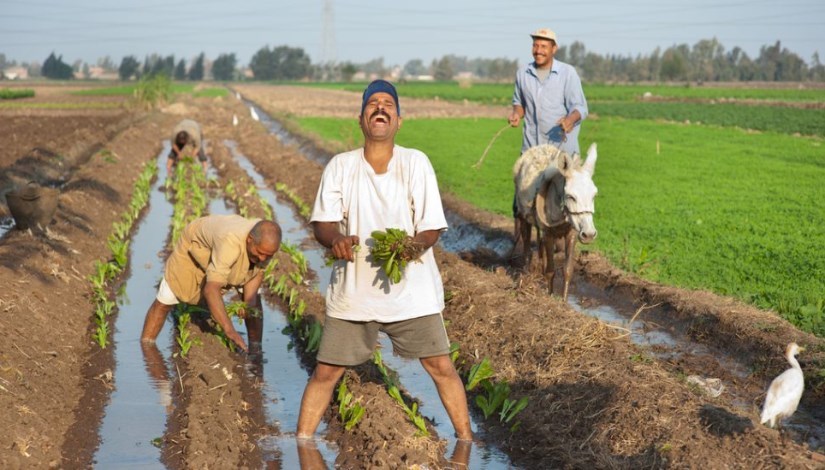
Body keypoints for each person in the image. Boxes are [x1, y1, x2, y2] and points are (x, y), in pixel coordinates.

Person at [296, 80, 472, 442]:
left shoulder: (415, 163)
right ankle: (301, 440)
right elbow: (323, 224)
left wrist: (410, 248)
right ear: (361, 119)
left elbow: (430, 229)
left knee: (441, 365)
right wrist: (336, 240)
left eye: (387, 103)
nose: (380, 108)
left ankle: (468, 439)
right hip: (355, 292)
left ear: (398, 119)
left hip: (412, 292)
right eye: (372, 103)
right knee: (326, 372)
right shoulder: (340, 166)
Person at [140, 215, 281, 352]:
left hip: (227, 250)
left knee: (253, 303)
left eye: (268, 255)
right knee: (167, 298)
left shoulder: (265, 242)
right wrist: (230, 330)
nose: (263, 258)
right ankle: (147, 345)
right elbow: (211, 289)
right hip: (197, 246)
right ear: (250, 240)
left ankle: (255, 349)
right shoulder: (229, 242)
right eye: (260, 253)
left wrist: (249, 302)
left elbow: (257, 273)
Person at [508, 27, 589, 261]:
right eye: (535, 45)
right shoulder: (523, 74)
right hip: (533, 152)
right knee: (522, 206)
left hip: (561, 155)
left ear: (554, 49)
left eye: (544, 46)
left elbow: (580, 108)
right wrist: (516, 114)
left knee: (564, 204)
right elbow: (518, 103)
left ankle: (562, 251)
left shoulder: (567, 73)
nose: (538, 50)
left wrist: (569, 120)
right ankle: (524, 256)